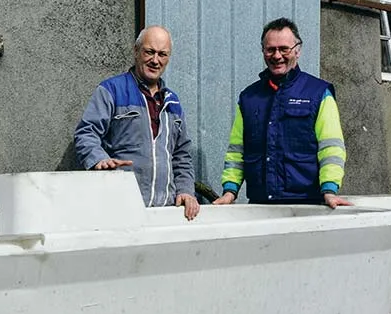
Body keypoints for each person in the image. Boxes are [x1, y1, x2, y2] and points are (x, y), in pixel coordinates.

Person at [213, 17, 350, 209]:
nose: (277, 55)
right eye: (271, 49)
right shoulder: (249, 98)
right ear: (263, 52)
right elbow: (237, 152)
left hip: (307, 206)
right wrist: (230, 191)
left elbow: (331, 148)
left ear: (297, 50)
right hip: (259, 206)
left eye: (284, 49)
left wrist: (329, 190)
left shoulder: (318, 93)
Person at [74, 25, 199, 220]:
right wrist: (99, 159)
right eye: (149, 52)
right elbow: (86, 133)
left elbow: (181, 154)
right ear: (136, 51)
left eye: (162, 54)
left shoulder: (173, 102)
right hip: (121, 210)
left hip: (165, 212)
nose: (155, 60)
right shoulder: (112, 90)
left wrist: (185, 190)